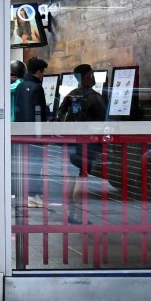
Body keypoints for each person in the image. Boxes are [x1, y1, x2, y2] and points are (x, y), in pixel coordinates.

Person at [56, 64, 107, 224]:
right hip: (87, 142)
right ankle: (79, 216)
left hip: (70, 140)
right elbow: (102, 122)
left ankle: (70, 212)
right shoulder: (96, 98)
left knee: (72, 176)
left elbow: (59, 116)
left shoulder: (71, 95)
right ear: (89, 75)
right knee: (82, 177)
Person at [13, 57, 50, 208]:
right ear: (38, 72)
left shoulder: (20, 86)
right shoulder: (37, 88)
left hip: (21, 132)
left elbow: (17, 109)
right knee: (35, 165)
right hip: (34, 134)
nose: (42, 75)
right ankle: (33, 195)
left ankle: (23, 194)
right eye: (42, 72)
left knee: (24, 165)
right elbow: (38, 113)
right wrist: (40, 133)